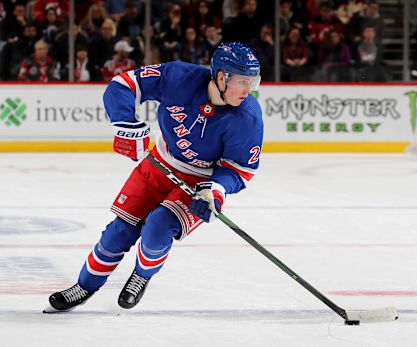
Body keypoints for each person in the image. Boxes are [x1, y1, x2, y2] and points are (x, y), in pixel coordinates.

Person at [44, 42, 263, 312]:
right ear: (221, 77)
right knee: (119, 232)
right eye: (242, 81)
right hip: (159, 163)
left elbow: (240, 169)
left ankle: (141, 275)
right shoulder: (179, 77)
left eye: (253, 81)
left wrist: (214, 190)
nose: (248, 90)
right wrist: (126, 124)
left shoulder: (248, 117)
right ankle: (85, 285)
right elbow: (123, 85)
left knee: (159, 226)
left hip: (199, 182)